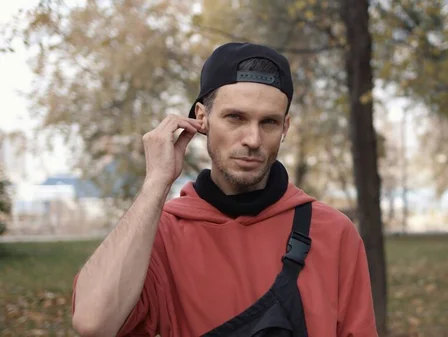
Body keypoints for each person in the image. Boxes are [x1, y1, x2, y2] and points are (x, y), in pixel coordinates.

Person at [71, 42, 378, 337]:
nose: (253, 139)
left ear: (285, 128)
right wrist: (156, 184)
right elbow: (93, 323)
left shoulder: (333, 232)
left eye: (268, 122)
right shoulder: (164, 234)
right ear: (202, 118)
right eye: (236, 118)